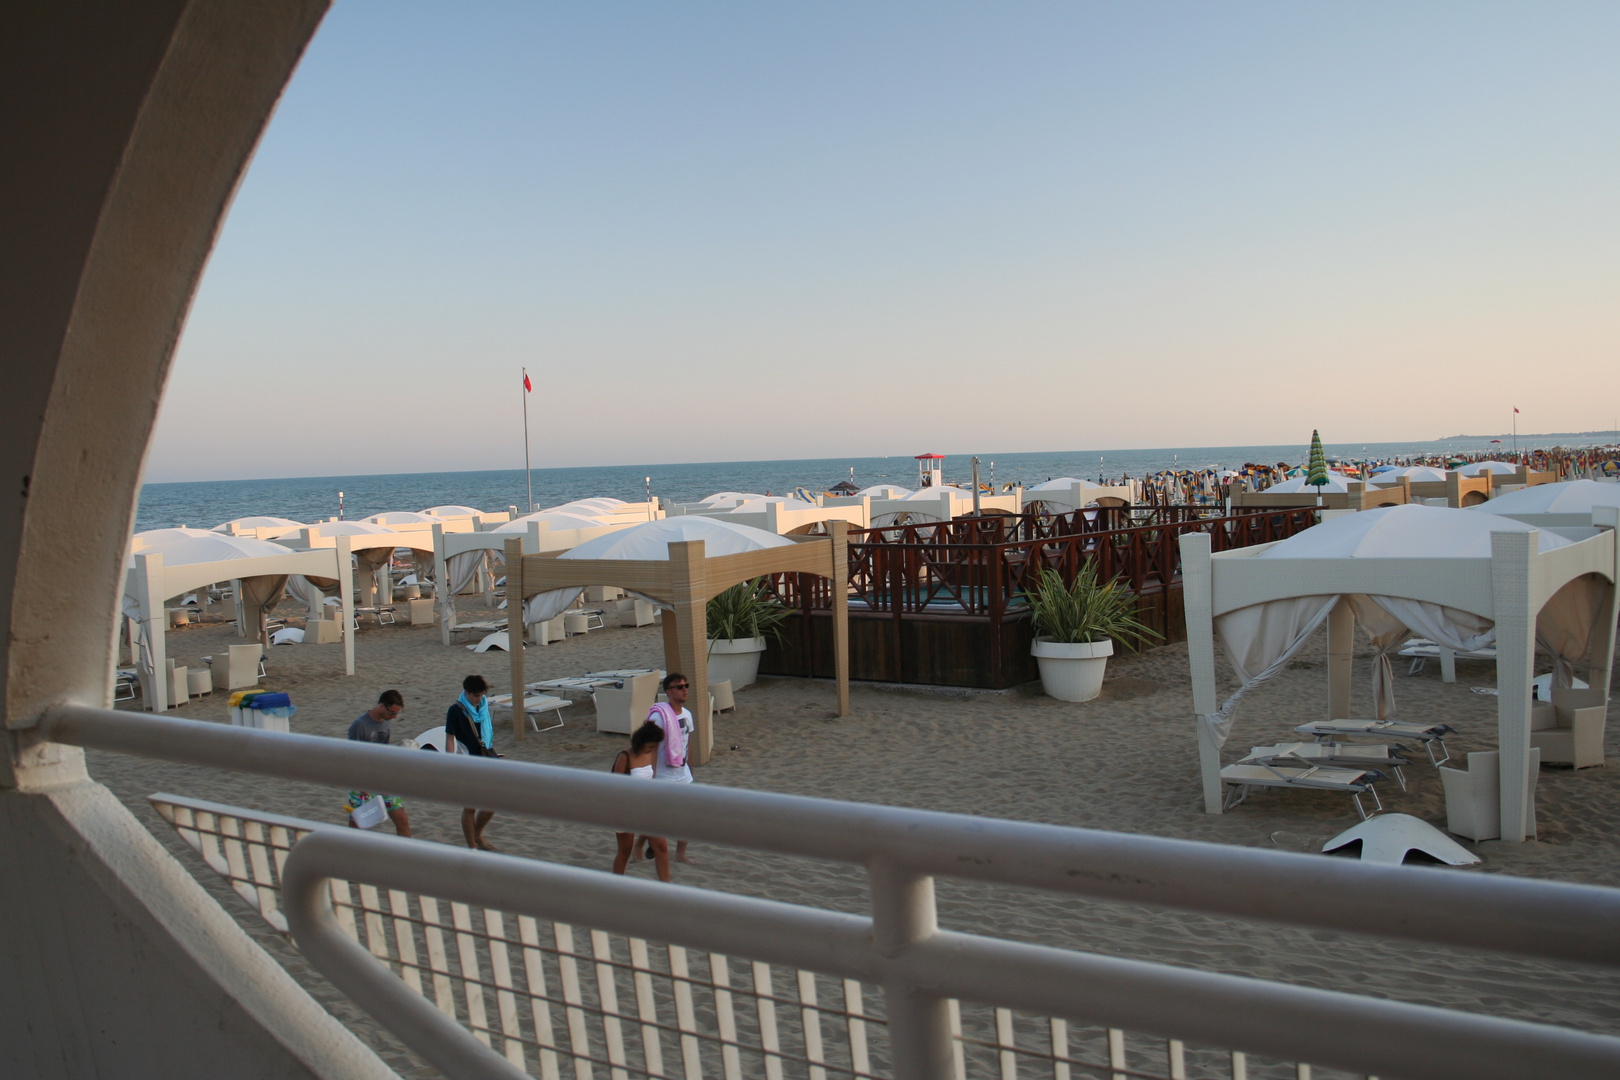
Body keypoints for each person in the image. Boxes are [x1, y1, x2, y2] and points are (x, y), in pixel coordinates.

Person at [345, 689, 411, 837]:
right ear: (381, 706)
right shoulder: (359, 725)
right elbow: (351, 756)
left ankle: (407, 856)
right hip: (362, 780)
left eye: (396, 713)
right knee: (357, 824)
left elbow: (384, 751)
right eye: (392, 712)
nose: (394, 717)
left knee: (402, 819)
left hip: (383, 779)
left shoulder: (386, 723)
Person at [445, 674, 500, 850]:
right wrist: (450, 761)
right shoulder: (456, 710)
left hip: (485, 757)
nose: (479, 698)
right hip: (466, 760)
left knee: (492, 803)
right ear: (467, 693)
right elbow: (450, 737)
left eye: (481, 694)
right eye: (476, 695)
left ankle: (477, 834)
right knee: (470, 808)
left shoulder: (483, 706)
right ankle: (472, 846)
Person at [610, 721, 670, 881]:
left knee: (661, 847)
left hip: (646, 808)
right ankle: (615, 887)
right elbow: (614, 787)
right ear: (640, 742)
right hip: (626, 810)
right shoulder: (625, 757)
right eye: (650, 746)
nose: (653, 750)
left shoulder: (649, 754)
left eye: (655, 747)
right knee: (624, 852)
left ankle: (667, 888)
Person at [648, 671, 695, 864]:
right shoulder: (659, 718)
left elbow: (687, 744)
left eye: (686, 686)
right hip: (664, 774)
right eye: (679, 687)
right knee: (659, 819)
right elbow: (650, 748)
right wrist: (652, 775)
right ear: (669, 692)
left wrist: (691, 770)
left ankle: (680, 854)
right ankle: (641, 846)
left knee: (687, 817)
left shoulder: (687, 715)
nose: (684, 690)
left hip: (682, 774)